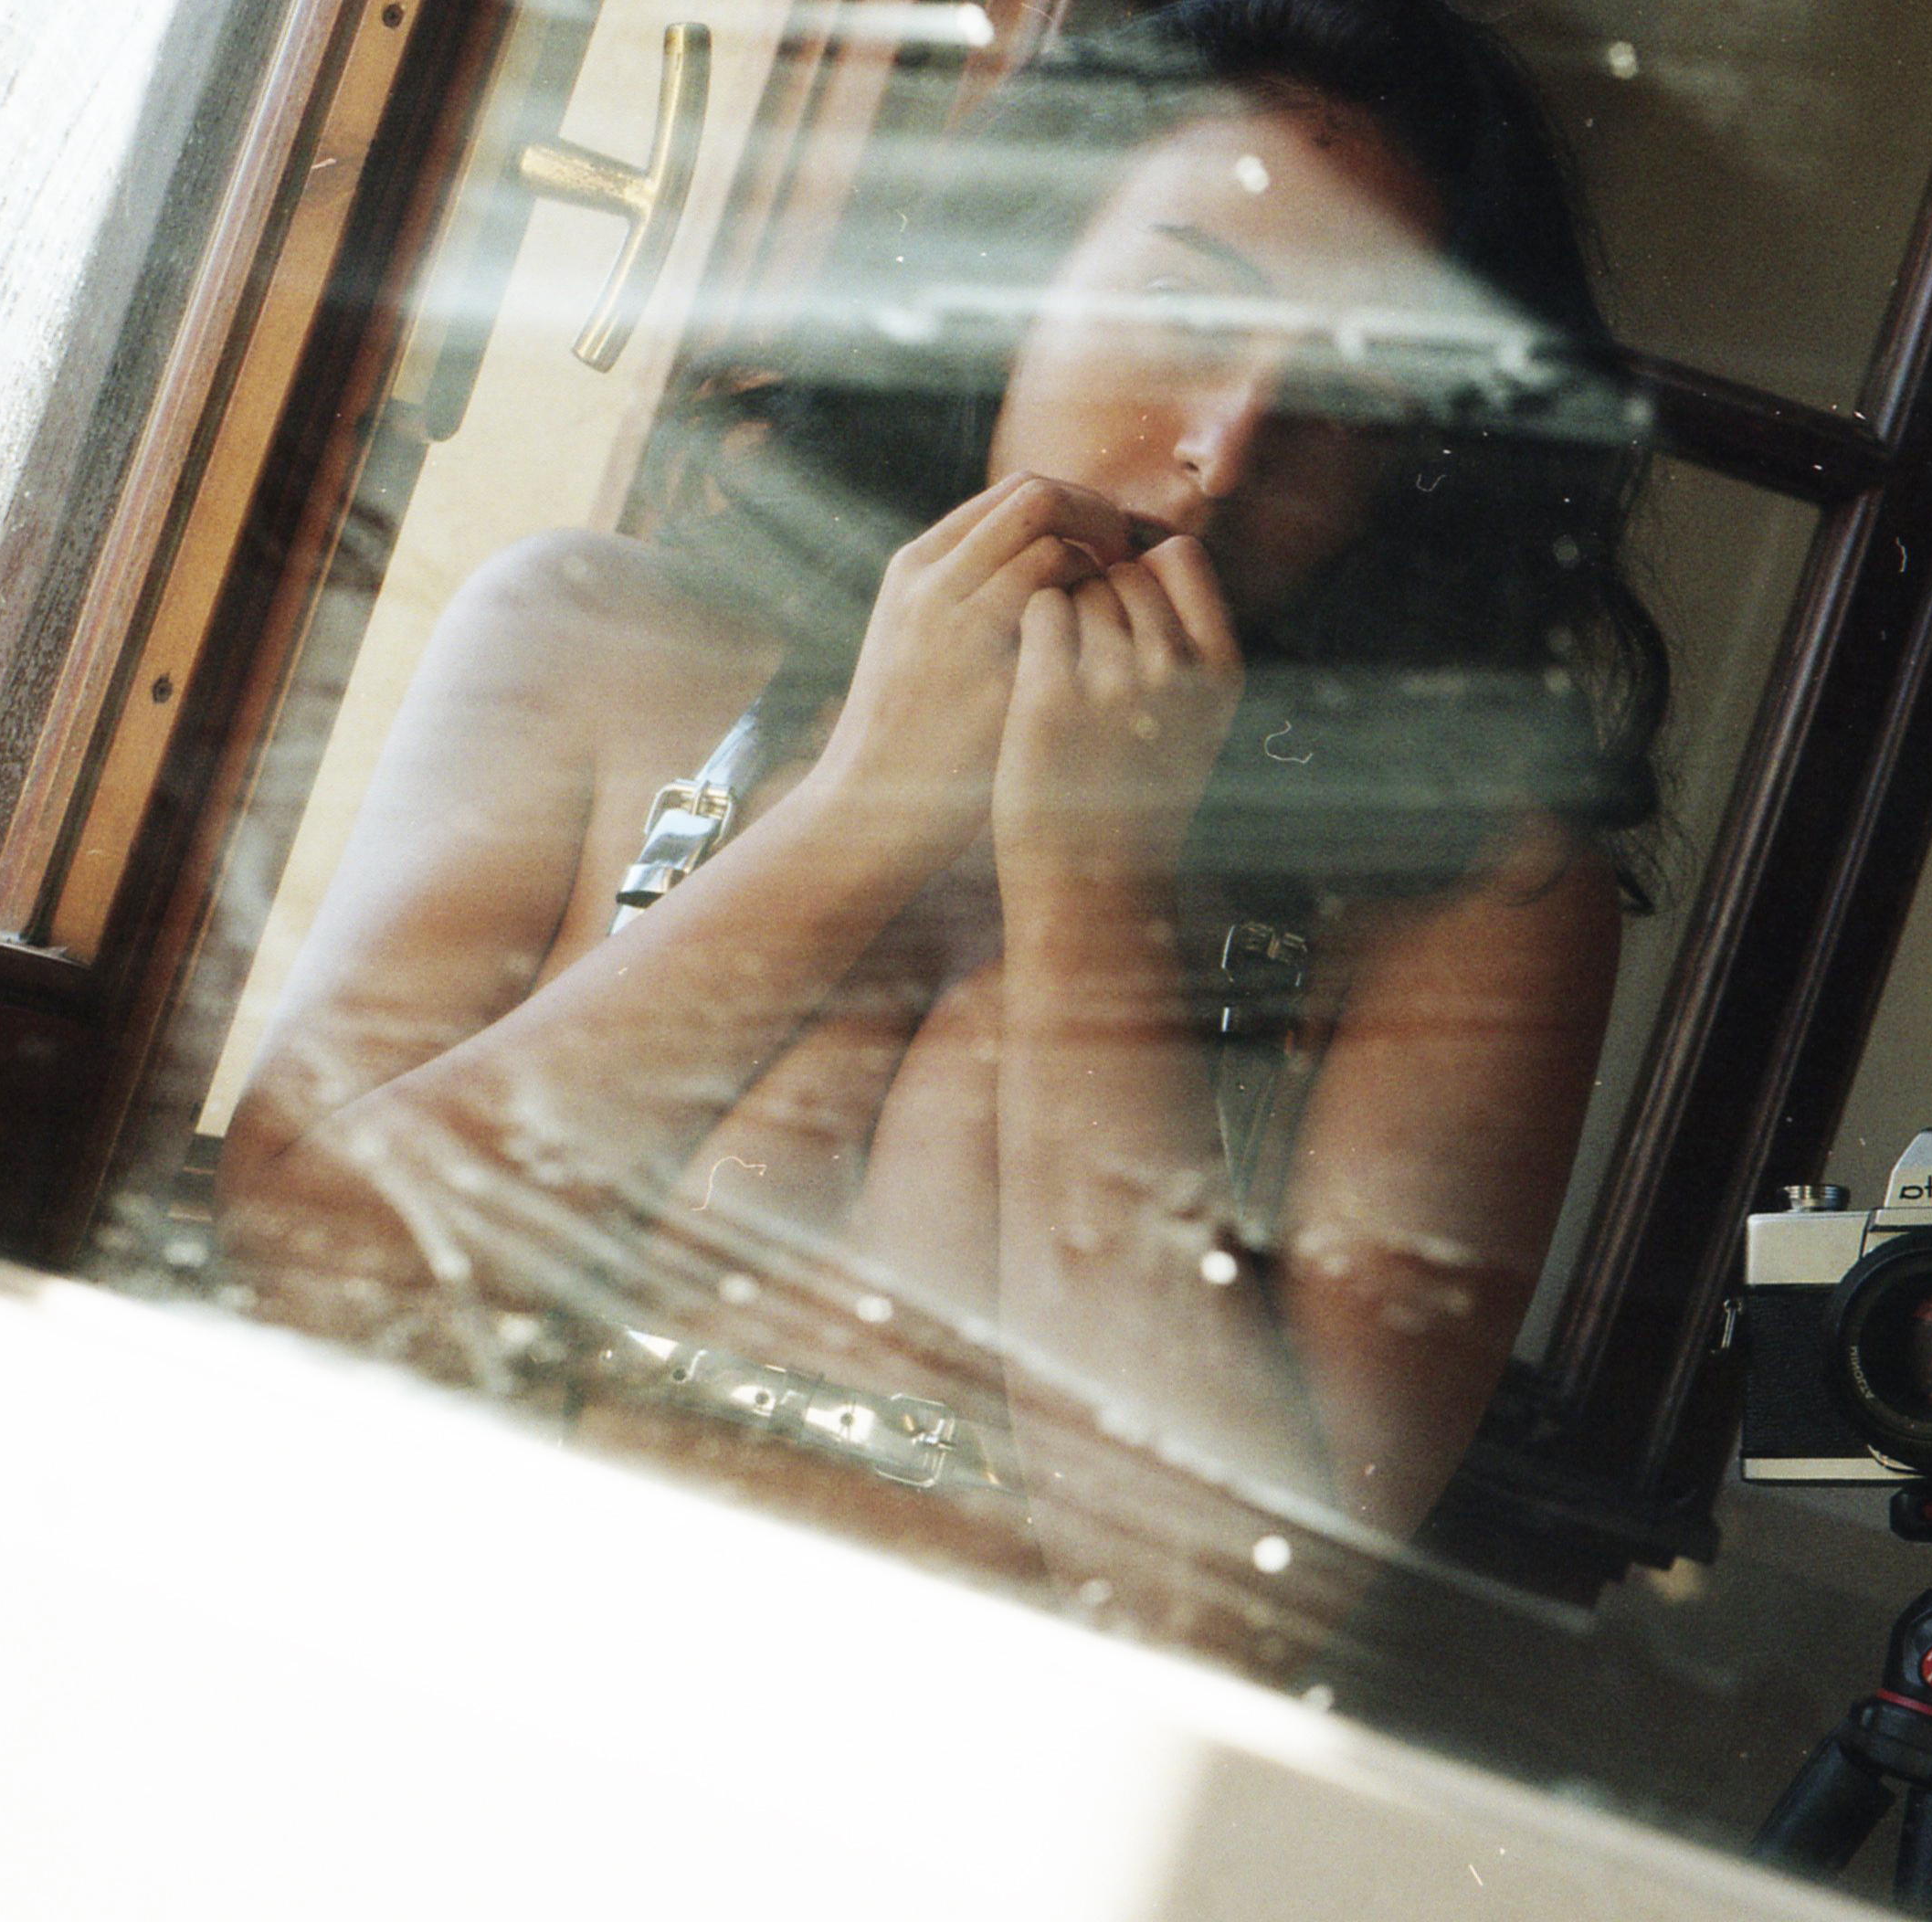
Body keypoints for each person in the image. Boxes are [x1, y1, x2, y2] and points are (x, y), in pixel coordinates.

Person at [217, 0, 1667, 1615]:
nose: (1224, 448)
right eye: (1186, 311)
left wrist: (1093, 886)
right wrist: (864, 806)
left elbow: (1232, 1609)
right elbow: (305, 1268)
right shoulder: (596, 641)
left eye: (1355, 386)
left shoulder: (1473, 904)